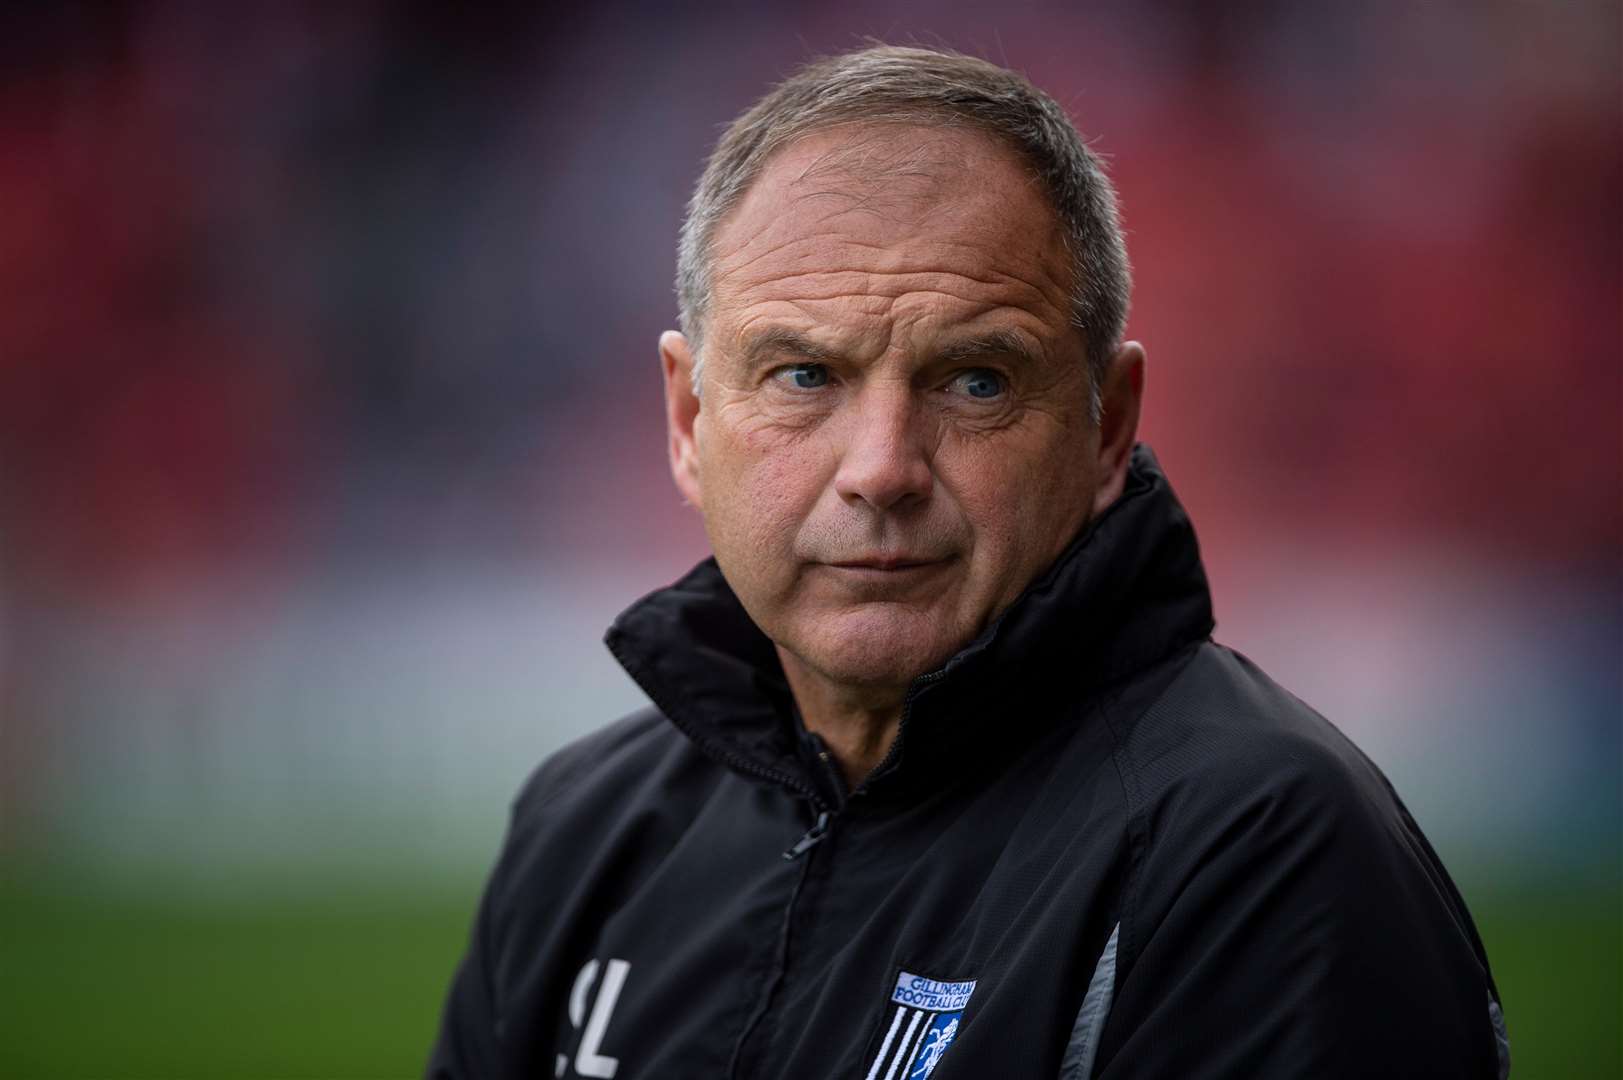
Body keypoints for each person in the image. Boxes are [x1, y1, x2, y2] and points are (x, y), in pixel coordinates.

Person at [428, 45, 1509, 1079]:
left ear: (1105, 427)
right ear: (686, 419)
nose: (882, 469)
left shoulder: (1260, 853)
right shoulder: (586, 830)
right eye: (804, 375)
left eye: (975, 381)